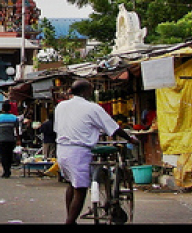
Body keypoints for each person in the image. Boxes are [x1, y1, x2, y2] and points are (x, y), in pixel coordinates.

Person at [54, 80, 139, 225]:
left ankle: (70, 218)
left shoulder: (61, 106)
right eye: (91, 90)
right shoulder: (92, 108)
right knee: (80, 188)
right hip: (79, 151)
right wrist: (129, 138)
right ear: (85, 91)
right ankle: (69, 221)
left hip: (62, 149)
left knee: (71, 184)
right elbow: (113, 128)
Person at [0, 101, 20, 178]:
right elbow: (17, 130)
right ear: (10, 109)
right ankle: (8, 170)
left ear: (2, 108)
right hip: (11, 140)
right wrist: (19, 139)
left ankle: (5, 171)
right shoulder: (14, 118)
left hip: (2, 140)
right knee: (9, 155)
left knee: (3, 156)